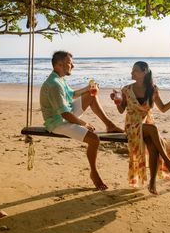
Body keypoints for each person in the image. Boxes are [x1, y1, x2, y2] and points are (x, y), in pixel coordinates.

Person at [40, 50, 123, 191]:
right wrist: (84, 123)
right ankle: (94, 173)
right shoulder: (54, 84)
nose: (73, 66)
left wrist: (88, 89)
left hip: (64, 113)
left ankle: (110, 125)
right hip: (57, 122)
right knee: (94, 139)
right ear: (59, 65)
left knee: (91, 95)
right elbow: (65, 114)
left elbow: (71, 95)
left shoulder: (60, 79)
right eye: (70, 63)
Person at [110, 61, 170, 195]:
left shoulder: (153, 89)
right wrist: (116, 101)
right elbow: (121, 110)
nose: (132, 73)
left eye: (135, 71)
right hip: (132, 126)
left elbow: (163, 108)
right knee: (153, 129)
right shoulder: (126, 89)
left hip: (147, 124)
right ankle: (168, 163)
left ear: (144, 72)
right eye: (132, 71)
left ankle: (152, 183)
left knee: (153, 146)